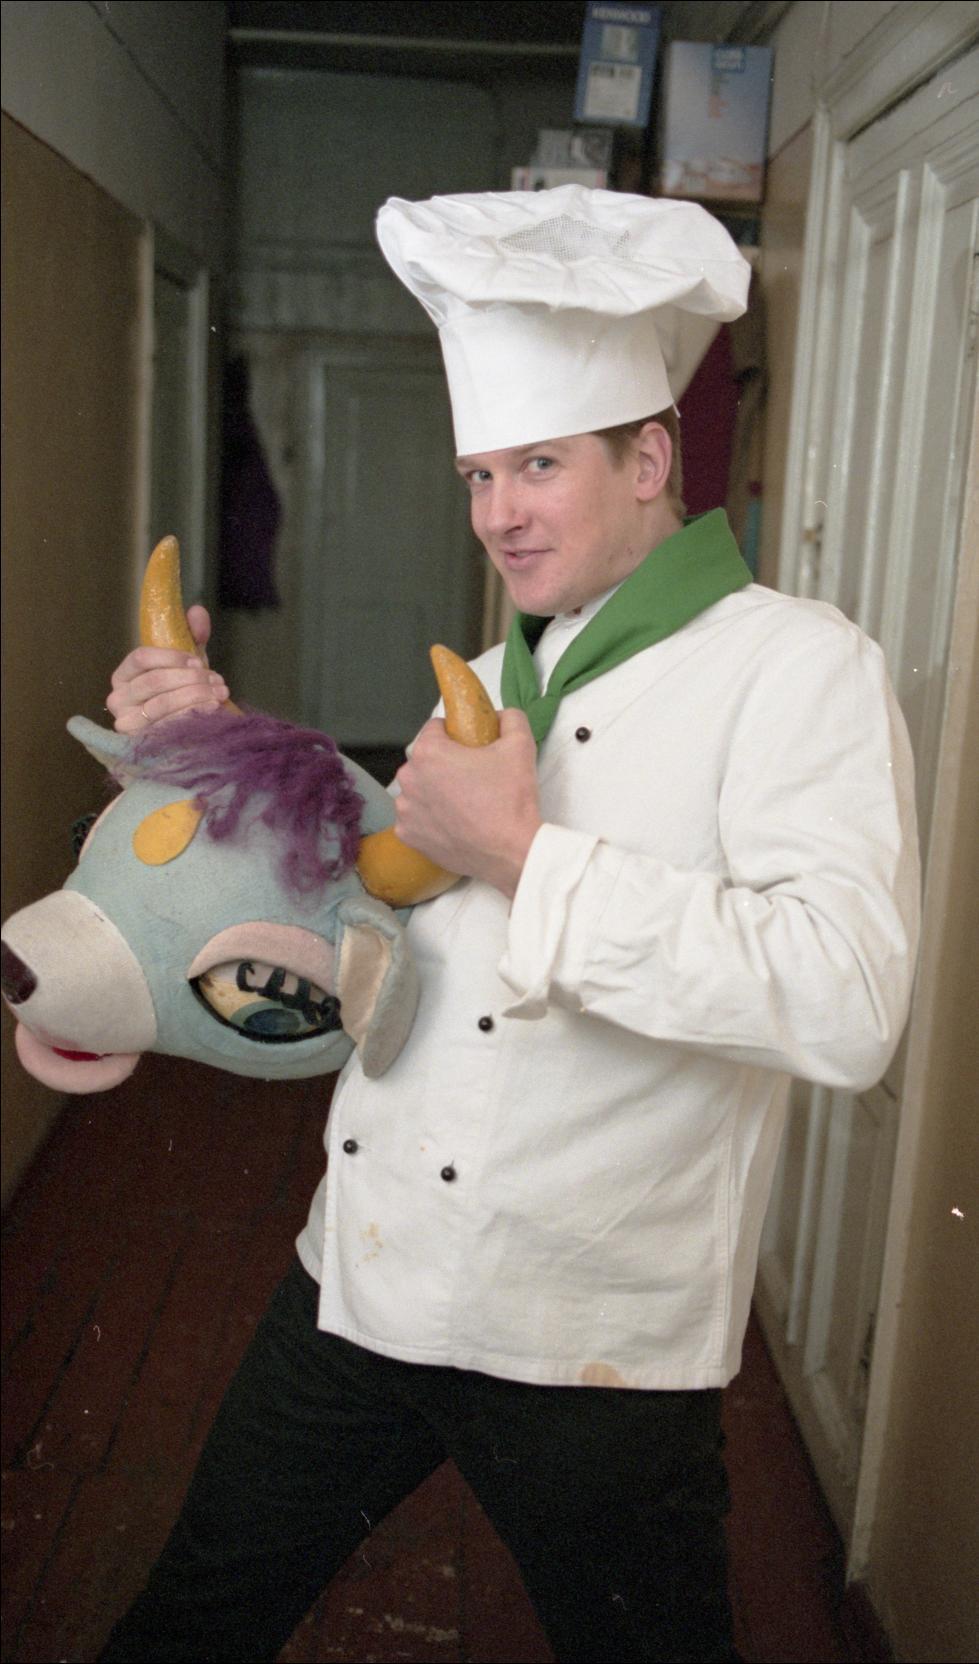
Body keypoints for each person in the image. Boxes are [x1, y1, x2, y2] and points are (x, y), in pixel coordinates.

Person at [99, 188, 920, 1663]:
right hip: (366, 1276)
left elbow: (848, 996)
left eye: (540, 464)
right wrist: (212, 759)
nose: (499, 513)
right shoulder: (485, 677)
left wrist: (530, 862)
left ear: (650, 459)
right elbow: (361, 901)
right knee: (190, 1623)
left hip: (591, 1342)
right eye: (481, 473)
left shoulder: (799, 672)